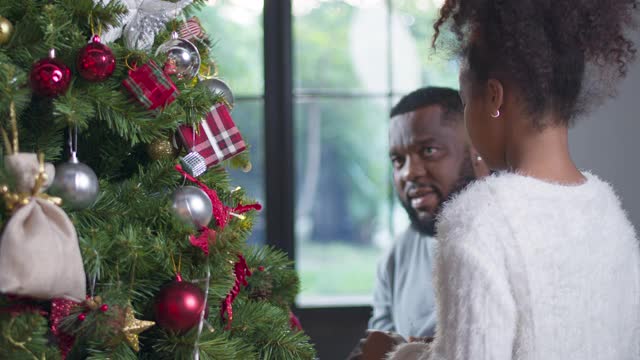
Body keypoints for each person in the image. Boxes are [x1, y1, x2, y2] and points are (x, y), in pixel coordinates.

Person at [386, 0, 640, 359]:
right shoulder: (609, 210)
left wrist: (403, 355)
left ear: (493, 97)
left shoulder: (479, 218)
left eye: (464, 100)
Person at [347, 87, 489, 359]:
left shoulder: (514, 241)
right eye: (398, 160)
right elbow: (379, 348)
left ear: (477, 154)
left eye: (429, 150)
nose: (409, 173)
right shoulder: (395, 258)